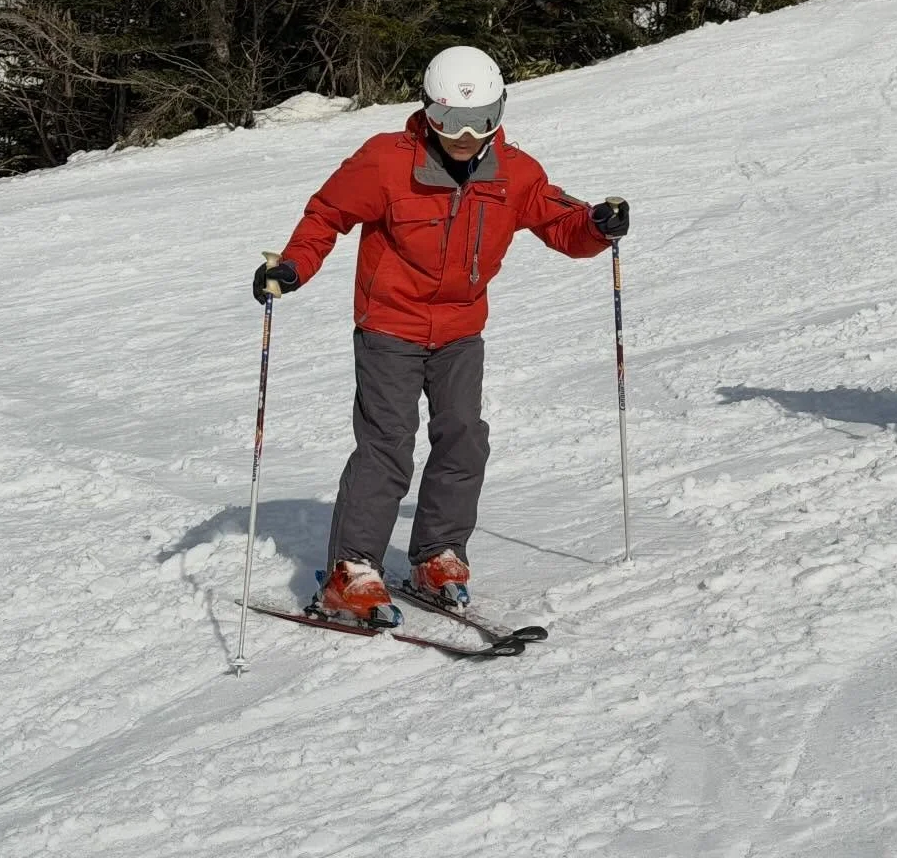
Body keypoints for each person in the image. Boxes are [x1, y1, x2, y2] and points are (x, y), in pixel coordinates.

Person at [252, 46, 629, 626]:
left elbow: (561, 222)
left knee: (463, 437)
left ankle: (436, 554)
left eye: (483, 121)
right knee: (388, 446)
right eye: (451, 121)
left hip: (460, 329)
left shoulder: (515, 172)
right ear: (428, 111)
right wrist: (294, 266)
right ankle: (350, 571)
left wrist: (597, 227)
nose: (466, 136)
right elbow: (326, 214)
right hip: (389, 327)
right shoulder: (384, 162)